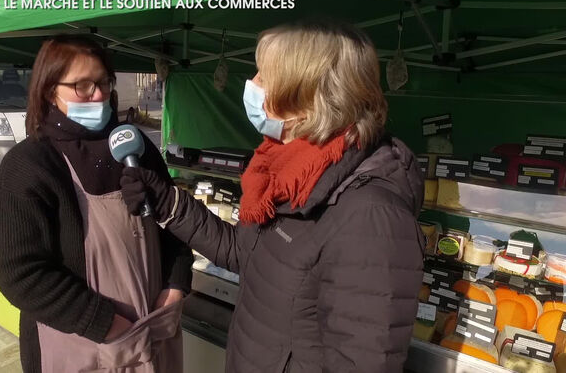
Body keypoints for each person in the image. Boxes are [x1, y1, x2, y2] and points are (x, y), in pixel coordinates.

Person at [120, 21, 426, 373]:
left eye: (266, 76)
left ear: (308, 97)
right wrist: (166, 202)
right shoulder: (287, 169)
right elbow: (242, 253)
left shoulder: (370, 216)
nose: (253, 83)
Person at [0, 35, 193, 373]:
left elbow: (174, 223)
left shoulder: (137, 147)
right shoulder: (29, 165)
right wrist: (104, 323)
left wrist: (176, 285)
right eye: (82, 86)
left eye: (102, 82)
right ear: (49, 89)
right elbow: (18, 271)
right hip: (84, 346)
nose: (98, 95)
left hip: (155, 335)